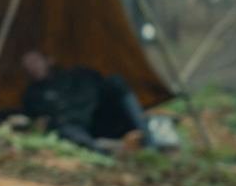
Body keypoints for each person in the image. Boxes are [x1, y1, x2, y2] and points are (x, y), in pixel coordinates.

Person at [20, 51, 154, 154]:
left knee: (116, 81)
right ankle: (106, 152)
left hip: (103, 120)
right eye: (27, 65)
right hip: (75, 130)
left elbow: (104, 89)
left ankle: (150, 144)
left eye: (35, 61)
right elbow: (37, 122)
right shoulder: (32, 95)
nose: (32, 67)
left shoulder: (79, 76)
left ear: (49, 60)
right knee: (62, 127)